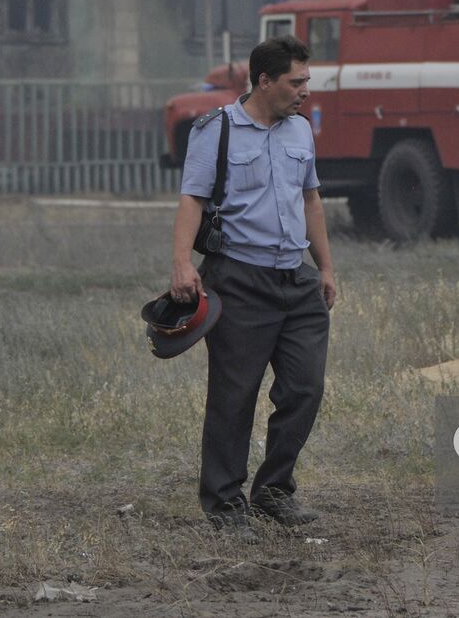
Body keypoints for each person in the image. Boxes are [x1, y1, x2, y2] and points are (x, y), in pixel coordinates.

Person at [170, 35, 337, 543]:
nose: (305, 91)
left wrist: (325, 268)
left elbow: (311, 201)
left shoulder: (301, 131)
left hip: (297, 280)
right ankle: (224, 503)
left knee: (305, 388)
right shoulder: (215, 130)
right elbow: (192, 201)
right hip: (239, 278)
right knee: (233, 396)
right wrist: (181, 263)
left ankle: (274, 492)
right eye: (296, 81)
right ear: (264, 81)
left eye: (307, 80)